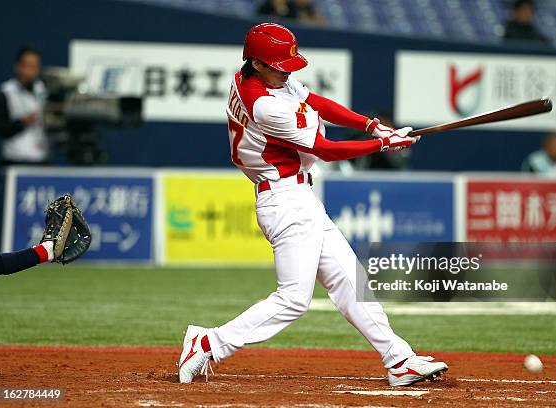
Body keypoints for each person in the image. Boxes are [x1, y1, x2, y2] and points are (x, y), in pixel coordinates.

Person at [177, 23, 448, 386]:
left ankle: (398, 359)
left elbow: (315, 102)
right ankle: (208, 342)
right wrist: (384, 144)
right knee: (293, 299)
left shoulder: (263, 79)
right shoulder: (264, 105)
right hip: (283, 198)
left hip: (299, 197)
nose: (286, 70)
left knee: (351, 283)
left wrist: (372, 126)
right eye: (279, 65)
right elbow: (323, 148)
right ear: (256, 63)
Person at [0, 47, 49, 165]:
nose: (31, 71)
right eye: (27, 66)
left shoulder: (44, 90)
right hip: (14, 160)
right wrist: (23, 122)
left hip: (41, 160)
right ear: (18, 66)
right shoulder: (5, 92)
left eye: (35, 67)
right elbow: (1, 129)